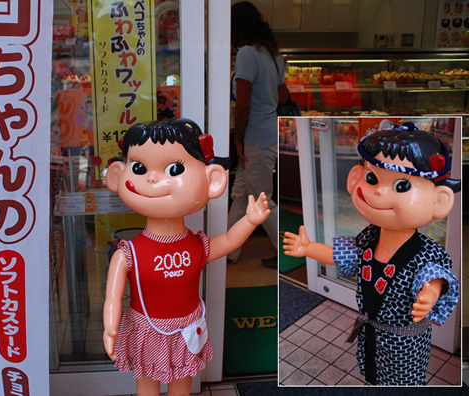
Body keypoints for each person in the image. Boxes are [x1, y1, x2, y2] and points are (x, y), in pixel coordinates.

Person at [103, 118, 270, 395]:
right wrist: (111, 326)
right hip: (147, 331)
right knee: (147, 385)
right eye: (139, 168)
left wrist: (249, 222)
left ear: (212, 180)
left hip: (188, 329)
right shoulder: (127, 254)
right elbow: (113, 297)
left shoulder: (196, 246)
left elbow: (228, 241)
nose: (153, 178)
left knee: (182, 384)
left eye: (174, 169)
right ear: (117, 174)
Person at [283, 125, 460, 385]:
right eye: (372, 178)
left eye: (401, 186)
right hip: (372, 333)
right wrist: (309, 248)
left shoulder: (427, 251)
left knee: (402, 383)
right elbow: (345, 256)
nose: (378, 192)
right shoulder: (369, 236)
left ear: (439, 200)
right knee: (374, 375)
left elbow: (434, 277)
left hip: (405, 342)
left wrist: (429, 295)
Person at [227, 1, 289, 266]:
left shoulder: (247, 54)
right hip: (269, 133)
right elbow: (283, 96)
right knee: (241, 194)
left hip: (254, 138)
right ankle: (229, 251)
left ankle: (286, 252)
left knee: (263, 200)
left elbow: (242, 106)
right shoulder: (271, 53)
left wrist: (238, 140)